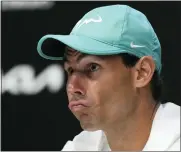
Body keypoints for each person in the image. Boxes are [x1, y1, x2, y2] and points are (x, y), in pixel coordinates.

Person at [37, 4, 180, 151]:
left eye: (92, 67)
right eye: (71, 70)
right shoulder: (80, 147)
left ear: (142, 72)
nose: (73, 88)